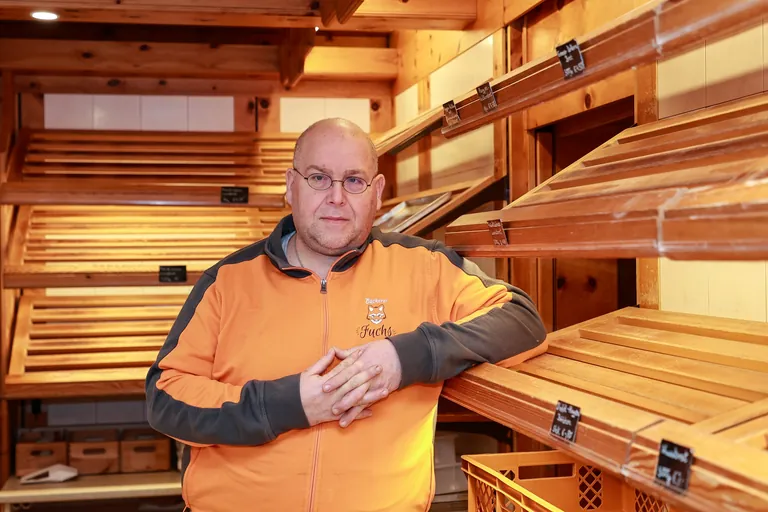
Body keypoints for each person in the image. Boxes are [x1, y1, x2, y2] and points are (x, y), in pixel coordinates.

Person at [145, 118, 547, 512]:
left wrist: (402, 357)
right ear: (290, 186)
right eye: (319, 178)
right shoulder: (227, 281)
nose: (337, 197)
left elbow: (522, 321)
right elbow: (166, 399)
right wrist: (289, 405)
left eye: (354, 181)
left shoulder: (424, 266)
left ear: (376, 192)